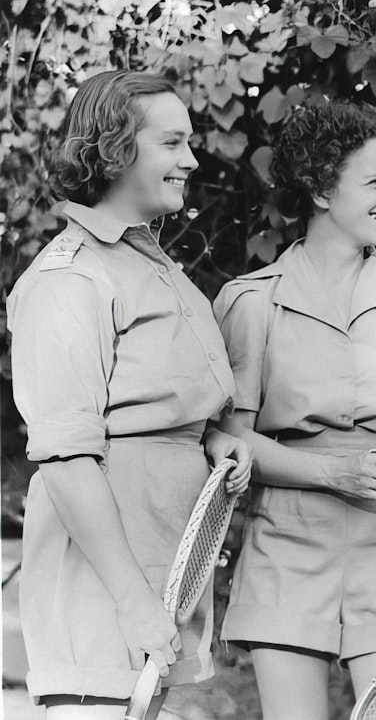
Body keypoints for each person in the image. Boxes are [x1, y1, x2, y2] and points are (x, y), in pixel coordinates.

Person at [7, 70, 252, 719]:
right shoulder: (69, 281)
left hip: (167, 580)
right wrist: (133, 603)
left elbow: (163, 409)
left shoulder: (156, 269)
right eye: (172, 142)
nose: (191, 159)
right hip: (108, 596)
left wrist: (216, 440)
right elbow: (64, 457)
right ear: (116, 149)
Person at [212, 99, 376, 720]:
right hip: (287, 549)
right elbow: (230, 442)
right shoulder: (250, 303)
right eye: (375, 182)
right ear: (322, 189)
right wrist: (332, 474)